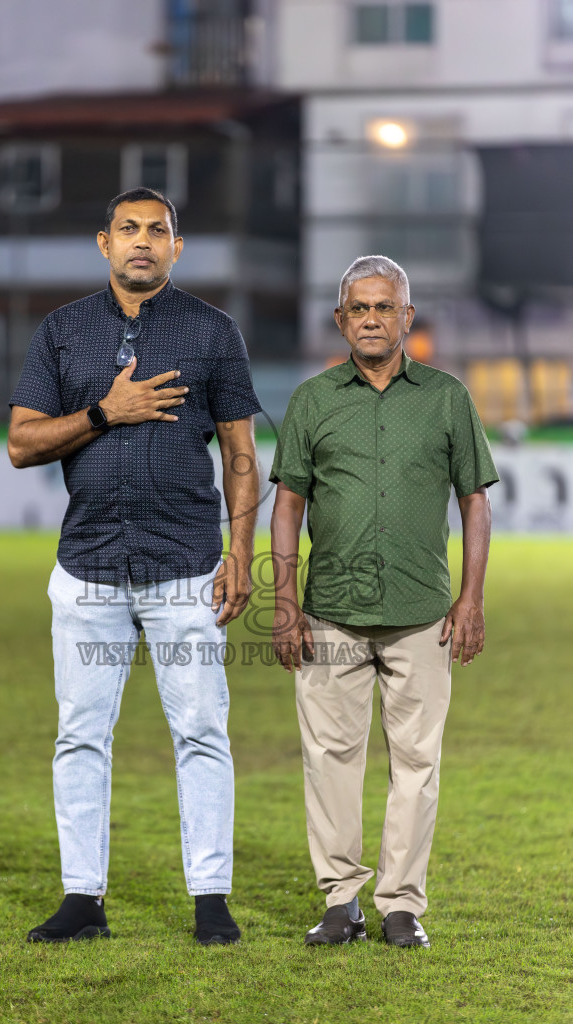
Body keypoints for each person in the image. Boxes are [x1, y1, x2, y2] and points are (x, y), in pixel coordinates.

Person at [8, 187, 261, 945]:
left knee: (202, 732)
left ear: (176, 247)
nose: (142, 242)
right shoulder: (63, 332)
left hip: (185, 568)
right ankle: (83, 899)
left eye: (157, 231)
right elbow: (22, 444)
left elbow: (242, 457)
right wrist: (101, 413)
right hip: (87, 572)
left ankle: (210, 899)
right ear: (104, 243)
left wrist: (241, 554)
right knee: (81, 735)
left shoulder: (212, 332)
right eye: (128, 229)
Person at [270, 255, 498, 949]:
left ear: (406, 317)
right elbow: (286, 504)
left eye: (384, 307)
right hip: (329, 611)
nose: (371, 319)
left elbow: (475, 503)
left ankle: (400, 904)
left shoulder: (446, 396)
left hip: (423, 612)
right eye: (358, 309)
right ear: (340, 320)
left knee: (416, 764)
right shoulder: (311, 399)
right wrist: (284, 600)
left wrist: (470, 599)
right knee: (329, 760)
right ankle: (340, 901)